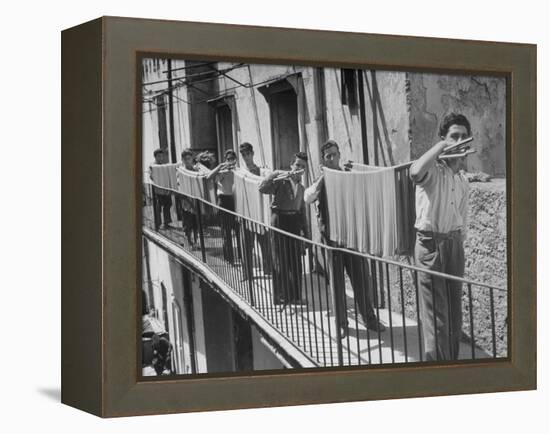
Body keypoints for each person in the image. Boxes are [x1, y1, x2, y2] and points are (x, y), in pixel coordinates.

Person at [304, 139, 385, 338]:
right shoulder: (319, 180)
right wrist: (324, 177)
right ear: (324, 159)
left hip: (351, 238)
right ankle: (341, 324)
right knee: (337, 283)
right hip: (331, 240)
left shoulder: (349, 175)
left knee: (361, 280)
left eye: (334, 154)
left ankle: (369, 318)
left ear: (339, 154)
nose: (332, 158)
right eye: (328, 156)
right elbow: (308, 198)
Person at [409, 113, 472, 361]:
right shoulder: (433, 171)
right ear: (443, 140)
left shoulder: (463, 180)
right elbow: (415, 172)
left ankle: (452, 368)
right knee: (438, 321)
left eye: (463, 136)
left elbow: (462, 219)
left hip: (454, 246)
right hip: (430, 245)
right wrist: (440, 148)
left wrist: (458, 245)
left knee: (454, 317)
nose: (459, 140)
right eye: (453, 136)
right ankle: (438, 375)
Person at [259, 152, 310, 306]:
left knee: (295, 261)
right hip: (279, 219)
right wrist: (278, 173)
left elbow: (302, 211)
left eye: (302, 166)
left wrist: (306, 234)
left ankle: (295, 297)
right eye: (297, 165)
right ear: (291, 165)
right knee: (280, 259)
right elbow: (262, 188)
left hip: (294, 222)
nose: (299, 168)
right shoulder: (281, 181)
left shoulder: (301, 188)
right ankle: (280, 296)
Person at [239, 142, 272, 277]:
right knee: (247, 245)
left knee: (264, 243)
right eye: (243, 155)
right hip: (246, 214)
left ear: (252, 154)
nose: (246, 157)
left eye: (248, 154)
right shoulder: (241, 173)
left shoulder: (262, 172)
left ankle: (268, 270)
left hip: (260, 213)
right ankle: (247, 273)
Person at [205, 149, 239, 263]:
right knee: (226, 232)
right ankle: (229, 259)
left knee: (238, 231)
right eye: (228, 159)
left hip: (235, 201)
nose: (231, 161)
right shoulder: (222, 171)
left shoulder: (237, 171)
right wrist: (220, 167)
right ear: (225, 160)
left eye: (232, 159)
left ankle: (239, 257)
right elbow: (209, 177)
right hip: (224, 201)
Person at [178, 148, 199, 247]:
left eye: (189, 158)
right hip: (186, 200)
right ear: (182, 160)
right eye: (185, 159)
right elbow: (179, 185)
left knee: (196, 222)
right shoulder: (181, 171)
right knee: (188, 223)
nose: (187, 161)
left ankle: (196, 241)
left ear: (192, 159)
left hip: (196, 198)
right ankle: (189, 241)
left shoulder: (196, 170)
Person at [149, 148, 172, 230]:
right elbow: (151, 177)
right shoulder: (153, 166)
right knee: (158, 207)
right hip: (158, 190)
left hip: (166, 188)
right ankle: (157, 224)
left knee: (168, 205)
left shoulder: (165, 165)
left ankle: (166, 223)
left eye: (162, 156)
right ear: (155, 157)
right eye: (159, 156)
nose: (161, 158)